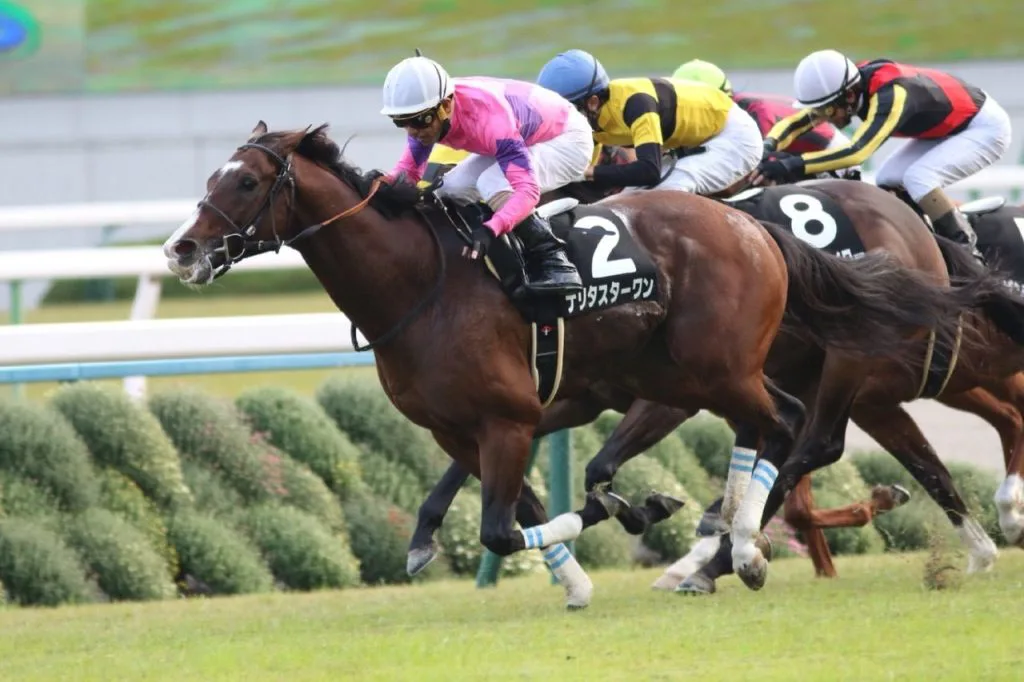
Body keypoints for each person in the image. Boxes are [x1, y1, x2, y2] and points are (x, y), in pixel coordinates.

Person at [753, 49, 1012, 263]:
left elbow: (857, 152)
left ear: (849, 96)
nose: (825, 119)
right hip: (948, 127)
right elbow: (800, 121)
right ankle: (928, 240)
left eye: (828, 111)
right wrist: (767, 146)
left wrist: (791, 165)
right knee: (887, 178)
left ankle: (968, 254)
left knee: (919, 178)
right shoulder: (847, 89)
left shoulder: (891, 95)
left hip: (983, 127)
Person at [381, 53, 592, 296]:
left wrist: (491, 230)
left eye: (419, 121)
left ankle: (554, 260)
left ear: (446, 106)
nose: (412, 132)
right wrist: (375, 185)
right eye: (401, 122)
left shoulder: (490, 121)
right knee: (448, 190)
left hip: (567, 140)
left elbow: (527, 191)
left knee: (492, 182)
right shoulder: (429, 111)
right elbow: (408, 174)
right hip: (525, 134)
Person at [535, 49, 763, 197]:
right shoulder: (590, 119)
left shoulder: (636, 104)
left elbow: (649, 171)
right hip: (692, 139)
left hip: (734, 136)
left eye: (565, 110)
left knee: (669, 190)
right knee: (621, 203)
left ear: (593, 102)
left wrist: (588, 172)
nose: (560, 119)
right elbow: (583, 172)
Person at [671, 58, 860, 179]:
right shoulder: (732, 107)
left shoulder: (755, 112)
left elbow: (754, 163)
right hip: (791, 151)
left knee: (758, 174)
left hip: (828, 157)